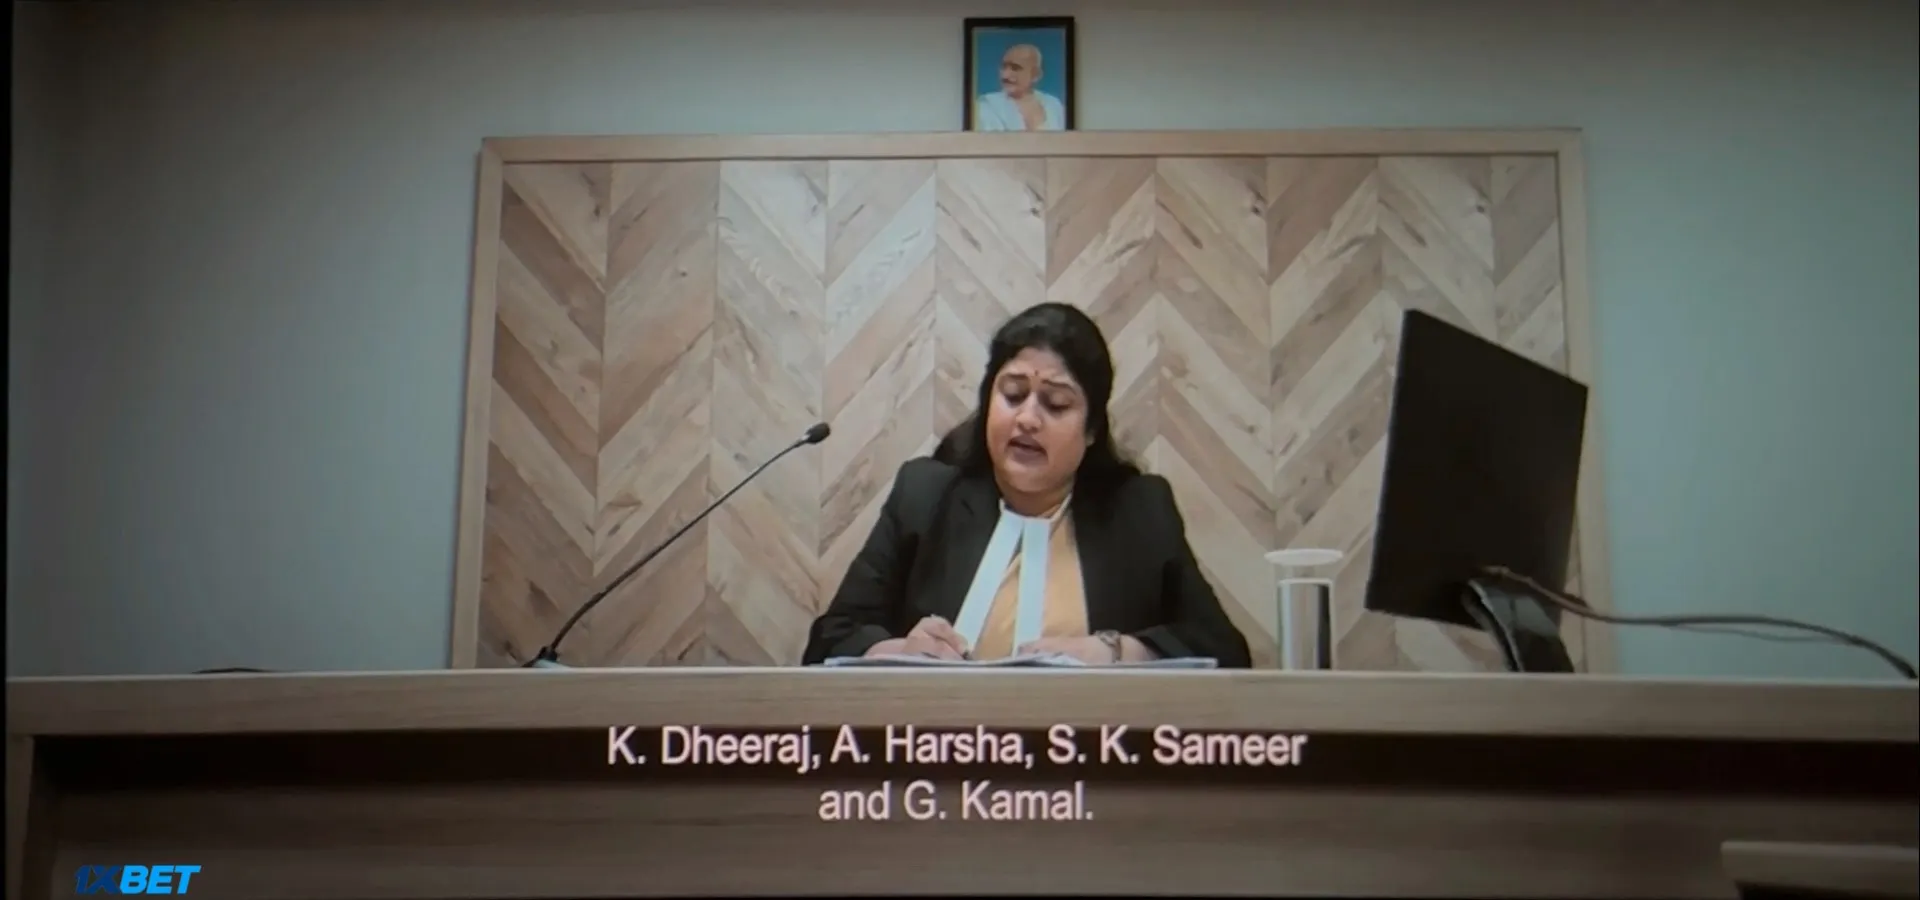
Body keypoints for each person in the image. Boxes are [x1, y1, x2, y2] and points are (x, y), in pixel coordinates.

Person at [802, 303, 1253, 668]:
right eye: (1013, 395)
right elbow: (831, 640)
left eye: (1056, 404)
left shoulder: (1139, 510)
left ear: (1092, 429)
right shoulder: (924, 495)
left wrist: (1116, 651)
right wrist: (899, 651)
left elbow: (1224, 650)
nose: (1028, 419)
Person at [973, 44, 1066, 132]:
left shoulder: (1054, 106)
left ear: (1035, 74)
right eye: (1003, 67)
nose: (1005, 75)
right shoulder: (986, 106)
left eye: (1015, 68)